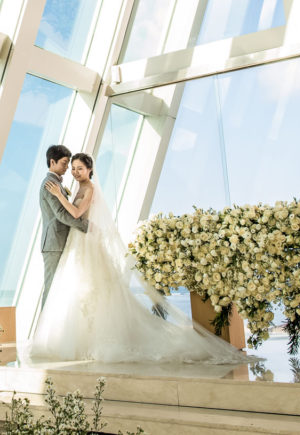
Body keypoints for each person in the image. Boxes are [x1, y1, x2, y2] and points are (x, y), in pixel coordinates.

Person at [31, 153, 247, 364]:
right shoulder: (77, 186)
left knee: (93, 287)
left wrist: (61, 197)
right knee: (79, 287)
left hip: (85, 239)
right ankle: (73, 337)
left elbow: (76, 214)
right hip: (77, 240)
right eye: (73, 167)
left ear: (90, 170)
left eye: (79, 168)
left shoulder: (90, 188)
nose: (75, 172)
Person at [38, 144, 89, 308]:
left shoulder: (56, 183)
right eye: (64, 163)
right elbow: (61, 213)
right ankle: (42, 332)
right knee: (51, 287)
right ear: (52, 162)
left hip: (59, 241)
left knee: (59, 288)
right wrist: (85, 227)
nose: (67, 168)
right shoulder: (49, 184)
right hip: (54, 243)